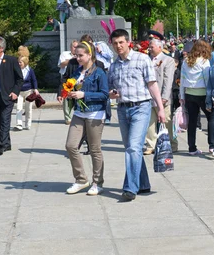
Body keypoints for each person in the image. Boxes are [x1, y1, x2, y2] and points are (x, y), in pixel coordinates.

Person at [108, 29, 165, 201]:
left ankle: (130, 188)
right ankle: (144, 183)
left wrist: (160, 108)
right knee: (132, 149)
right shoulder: (113, 65)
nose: (118, 46)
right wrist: (112, 94)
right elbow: (111, 87)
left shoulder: (142, 59)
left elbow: (152, 85)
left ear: (128, 42)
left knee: (133, 147)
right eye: (115, 43)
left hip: (141, 107)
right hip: (123, 109)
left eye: (121, 42)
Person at [64, 41, 108, 195]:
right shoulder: (77, 72)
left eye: (81, 55)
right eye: (76, 55)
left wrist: (84, 95)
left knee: (95, 149)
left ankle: (98, 182)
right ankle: (81, 179)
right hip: (79, 113)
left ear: (90, 55)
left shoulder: (99, 72)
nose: (78, 58)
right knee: (70, 145)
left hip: (95, 114)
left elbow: (104, 94)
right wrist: (69, 94)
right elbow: (71, 85)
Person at [180, 40, 214, 155]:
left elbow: (182, 80)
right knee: (211, 118)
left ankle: (192, 148)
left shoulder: (186, 61)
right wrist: (211, 95)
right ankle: (212, 145)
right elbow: (207, 80)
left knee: (192, 121)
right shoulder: (204, 62)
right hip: (203, 94)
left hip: (189, 94)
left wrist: (182, 95)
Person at [144, 38, 178, 154]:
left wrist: (164, 97)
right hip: (149, 96)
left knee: (166, 122)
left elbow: (168, 80)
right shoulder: (147, 59)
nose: (150, 48)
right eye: (149, 46)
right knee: (150, 123)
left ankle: (172, 144)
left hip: (163, 97)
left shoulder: (168, 60)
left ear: (159, 47)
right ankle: (150, 145)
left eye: (152, 46)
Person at [15, 56, 38, 130]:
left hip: (28, 91)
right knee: (19, 108)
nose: (19, 63)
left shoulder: (30, 70)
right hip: (19, 92)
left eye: (20, 62)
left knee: (28, 108)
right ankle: (19, 124)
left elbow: (34, 80)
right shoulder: (16, 70)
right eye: (18, 62)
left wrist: (35, 89)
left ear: (24, 63)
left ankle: (28, 123)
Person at [58, 40, 78, 124]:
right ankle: (68, 118)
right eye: (74, 47)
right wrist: (71, 60)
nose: (75, 48)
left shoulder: (81, 55)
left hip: (77, 79)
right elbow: (61, 64)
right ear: (71, 47)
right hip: (67, 78)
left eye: (77, 47)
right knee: (66, 99)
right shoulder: (65, 54)